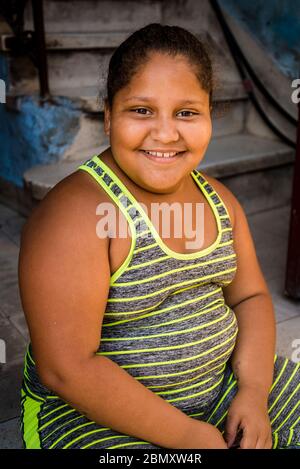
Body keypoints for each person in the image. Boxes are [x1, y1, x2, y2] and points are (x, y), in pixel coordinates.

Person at [18, 23, 299, 450]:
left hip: (218, 387)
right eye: (141, 110)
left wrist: (254, 392)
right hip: (97, 416)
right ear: (109, 115)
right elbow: (67, 368)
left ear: (209, 115)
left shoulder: (220, 201)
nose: (166, 134)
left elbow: (251, 298)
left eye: (186, 112)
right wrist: (187, 436)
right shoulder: (75, 214)